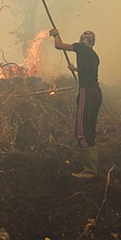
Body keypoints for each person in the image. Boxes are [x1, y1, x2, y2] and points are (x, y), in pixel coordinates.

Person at [49, 28, 101, 178]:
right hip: (97, 93)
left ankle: (89, 170)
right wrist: (75, 69)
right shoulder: (94, 56)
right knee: (89, 128)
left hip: (87, 93)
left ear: (82, 41)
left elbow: (59, 45)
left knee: (81, 130)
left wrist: (56, 34)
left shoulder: (80, 48)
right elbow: (88, 72)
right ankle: (91, 167)